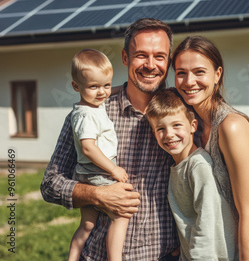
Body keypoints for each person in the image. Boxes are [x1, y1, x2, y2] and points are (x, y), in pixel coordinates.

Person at [41, 18, 180, 261]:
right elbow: (50, 184)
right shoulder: (89, 114)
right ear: (125, 58)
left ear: (168, 61)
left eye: (159, 56)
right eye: (141, 55)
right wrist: (98, 195)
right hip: (98, 255)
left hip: (163, 255)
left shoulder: (182, 115)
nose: (150, 65)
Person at [172, 35, 249, 260]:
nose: (189, 81)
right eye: (181, 73)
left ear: (217, 75)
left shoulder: (231, 127)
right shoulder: (190, 122)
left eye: (199, 72)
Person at [146, 88, 237, 260]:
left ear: (193, 126)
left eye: (176, 125)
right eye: (160, 129)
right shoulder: (179, 167)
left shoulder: (198, 166)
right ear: (154, 134)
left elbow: (207, 222)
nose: (169, 135)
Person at [68, 49, 129, 261]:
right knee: (121, 215)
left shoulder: (91, 104)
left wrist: (122, 89)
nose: (102, 92)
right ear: (76, 86)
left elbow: (103, 91)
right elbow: (88, 148)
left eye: (106, 85)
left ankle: (72, 258)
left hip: (85, 173)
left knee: (87, 224)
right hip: (98, 172)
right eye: (94, 86)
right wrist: (113, 169)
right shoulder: (86, 115)